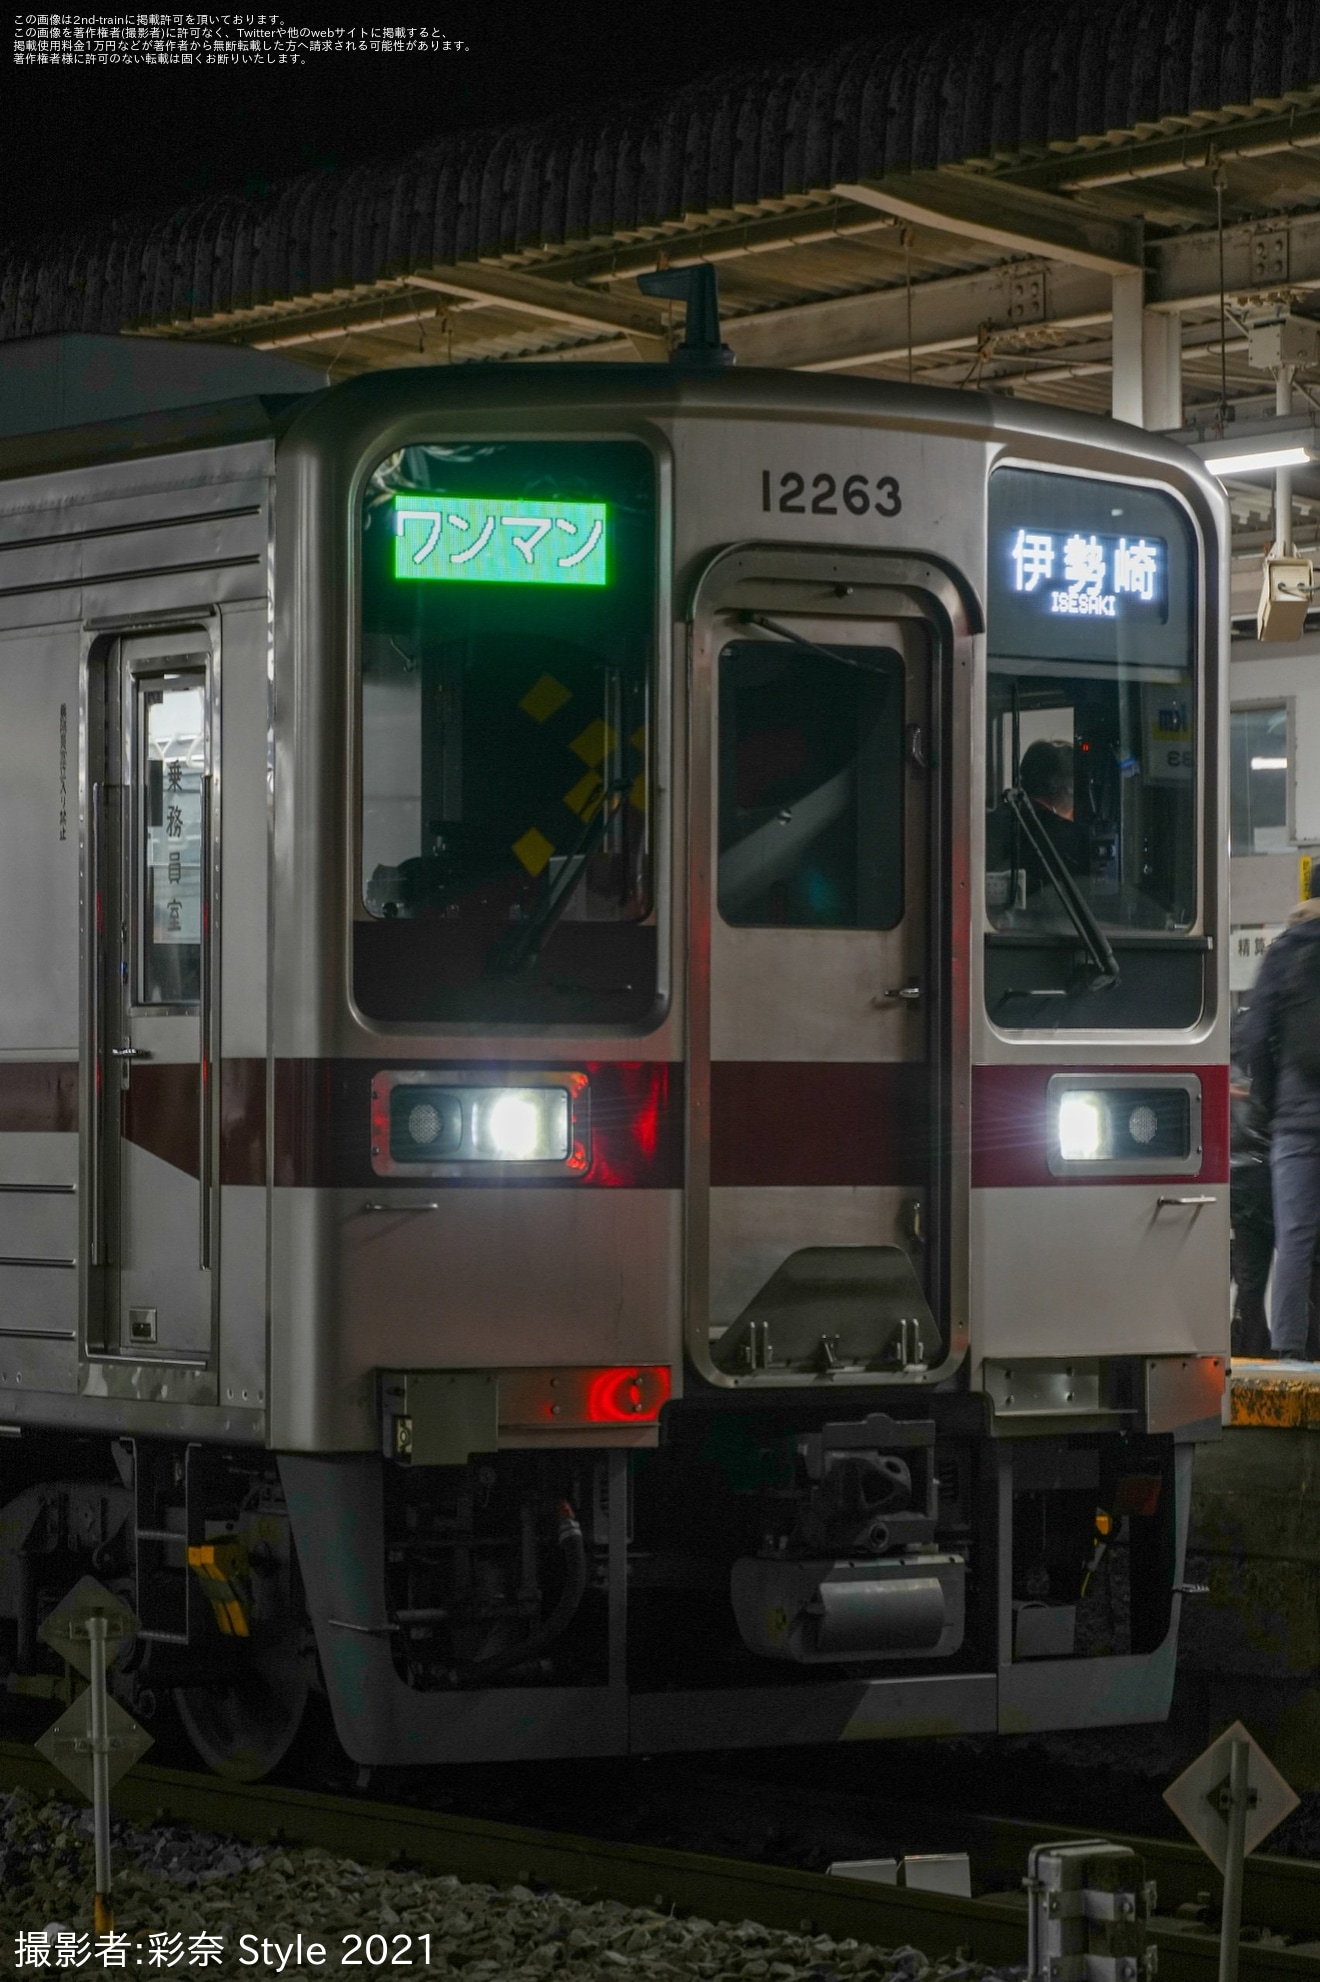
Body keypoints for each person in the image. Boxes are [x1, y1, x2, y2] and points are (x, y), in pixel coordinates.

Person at [1241, 877, 1320, 1362]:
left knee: (1294, 1242)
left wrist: (1265, 1103)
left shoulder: (1284, 951)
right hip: (1293, 1116)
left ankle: (1290, 1355)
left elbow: (1254, 1035)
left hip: (1295, 1122)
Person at [1229, 1011, 1273, 1358]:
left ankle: (1250, 1349)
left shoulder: (1224, 1064)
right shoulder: (1269, 1058)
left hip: (1237, 1177)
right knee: (1303, 1266)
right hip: (1270, 1170)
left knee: (1250, 1278)